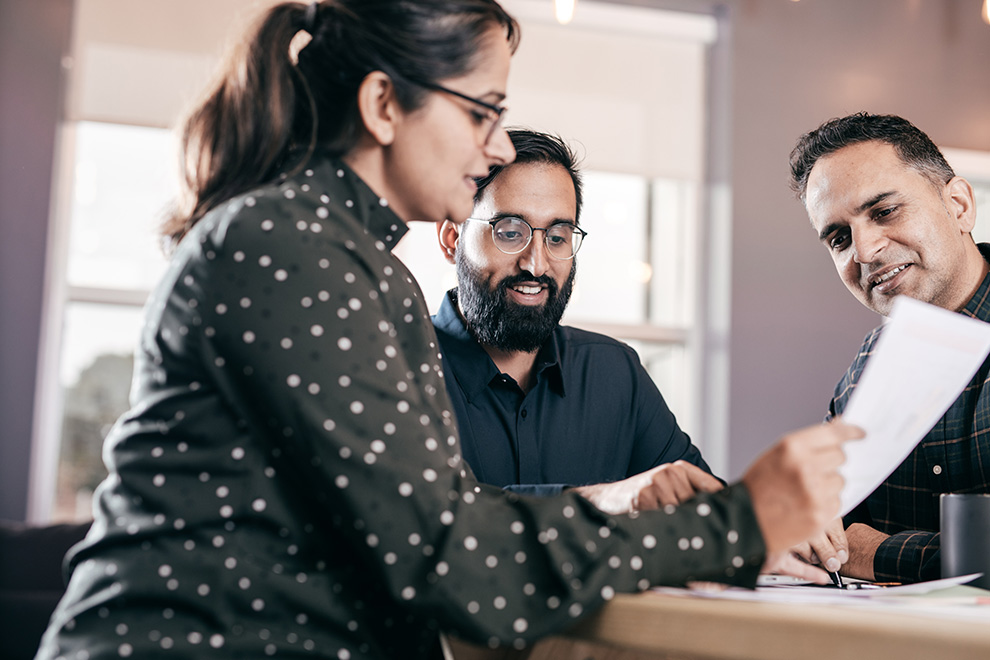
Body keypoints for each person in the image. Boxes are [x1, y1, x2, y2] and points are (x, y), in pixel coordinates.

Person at [36, 2, 858, 659]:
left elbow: (439, 525)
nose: (496, 142)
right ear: (385, 104)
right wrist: (737, 524)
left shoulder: (357, 264)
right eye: (481, 112)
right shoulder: (289, 247)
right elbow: (451, 559)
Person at [432, 128, 720, 510]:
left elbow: (707, 512)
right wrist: (600, 501)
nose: (535, 264)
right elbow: (422, 520)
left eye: (557, 236)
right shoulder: (400, 370)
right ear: (452, 238)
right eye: (510, 232)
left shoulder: (614, 372)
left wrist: (771, 527)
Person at [789, 112, 988, 584]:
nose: (864, 250)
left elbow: (853, 547)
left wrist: (875, 554)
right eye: (839, 237)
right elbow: (820, 526)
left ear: (959, 205)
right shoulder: (863, 374)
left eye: (883, 212)